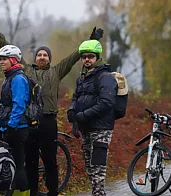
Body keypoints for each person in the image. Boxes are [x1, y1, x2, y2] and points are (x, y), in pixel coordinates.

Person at [0, 20, 104, 196]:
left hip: (48, 121)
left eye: (45, 55)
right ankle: (33, 192)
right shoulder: (27, 71)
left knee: (50, 160)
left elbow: (74, 56)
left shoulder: (56, 71)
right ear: (35, 59)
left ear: (49, 59)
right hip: (31, 123)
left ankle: (53, 192)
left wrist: (91, 41)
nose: (42, 57)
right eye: (39, 55)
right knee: (30, 160)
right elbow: (10, 52)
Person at [67, 40, 118, 196]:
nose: (86, 59)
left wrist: (84, 115)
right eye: (84, 57)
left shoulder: (105, 77)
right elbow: (76, 97)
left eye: (90, 56)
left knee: (98, 169)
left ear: (97, 57)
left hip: (101, 128)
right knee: (90, 168)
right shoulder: (82, 77)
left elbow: (107, 102)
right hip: (87, 128)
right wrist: (71, 110)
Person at [0, 45, 30, 196]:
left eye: (4, 59)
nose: (1, 62)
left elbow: (19, 105)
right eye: (0, 59)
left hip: (18, 127)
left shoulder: (18, 79)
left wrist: (10, 126)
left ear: (13, 60)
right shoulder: (9, 77)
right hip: (9, 125)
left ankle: (23, 193)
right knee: (12, 165)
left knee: (18, 164)